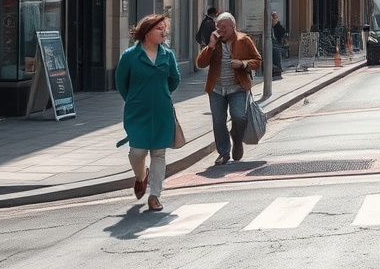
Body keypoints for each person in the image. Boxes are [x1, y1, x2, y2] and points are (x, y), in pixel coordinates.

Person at [115, 14, 180, 212]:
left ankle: (155, 196)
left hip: (162, 112)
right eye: (158, 28)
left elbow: (174, 80)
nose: (163, 31)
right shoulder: (129, 56)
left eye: (164, 28)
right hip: (137, 111)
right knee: (137, 152)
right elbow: (121, 83)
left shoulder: (167, 55)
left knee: (159, 154)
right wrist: (135, 99)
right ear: (146, 32)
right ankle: (141, 177)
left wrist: (161, 95)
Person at [196, 12, 262, 164]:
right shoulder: (215, 42)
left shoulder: (244, 40)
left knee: (239, 116)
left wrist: (243, 64)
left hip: (237, 87)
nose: (221, 30)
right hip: (217, 89)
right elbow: (201, 63)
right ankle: (223, 152)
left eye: (224, 27)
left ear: (233, 27)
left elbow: (257, 61)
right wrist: (210, 45)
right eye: (218, 27)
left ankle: (237, 139)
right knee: (218, 121)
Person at [271, 11, 287, 78]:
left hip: (277, 44)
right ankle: (274, 71)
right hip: (271, 44)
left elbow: (282, 33)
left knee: (277, 57)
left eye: (275, 17)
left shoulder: (279, 26)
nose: (273, 18)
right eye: (273, 17)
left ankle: (278, 70)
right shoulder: (270, 26)